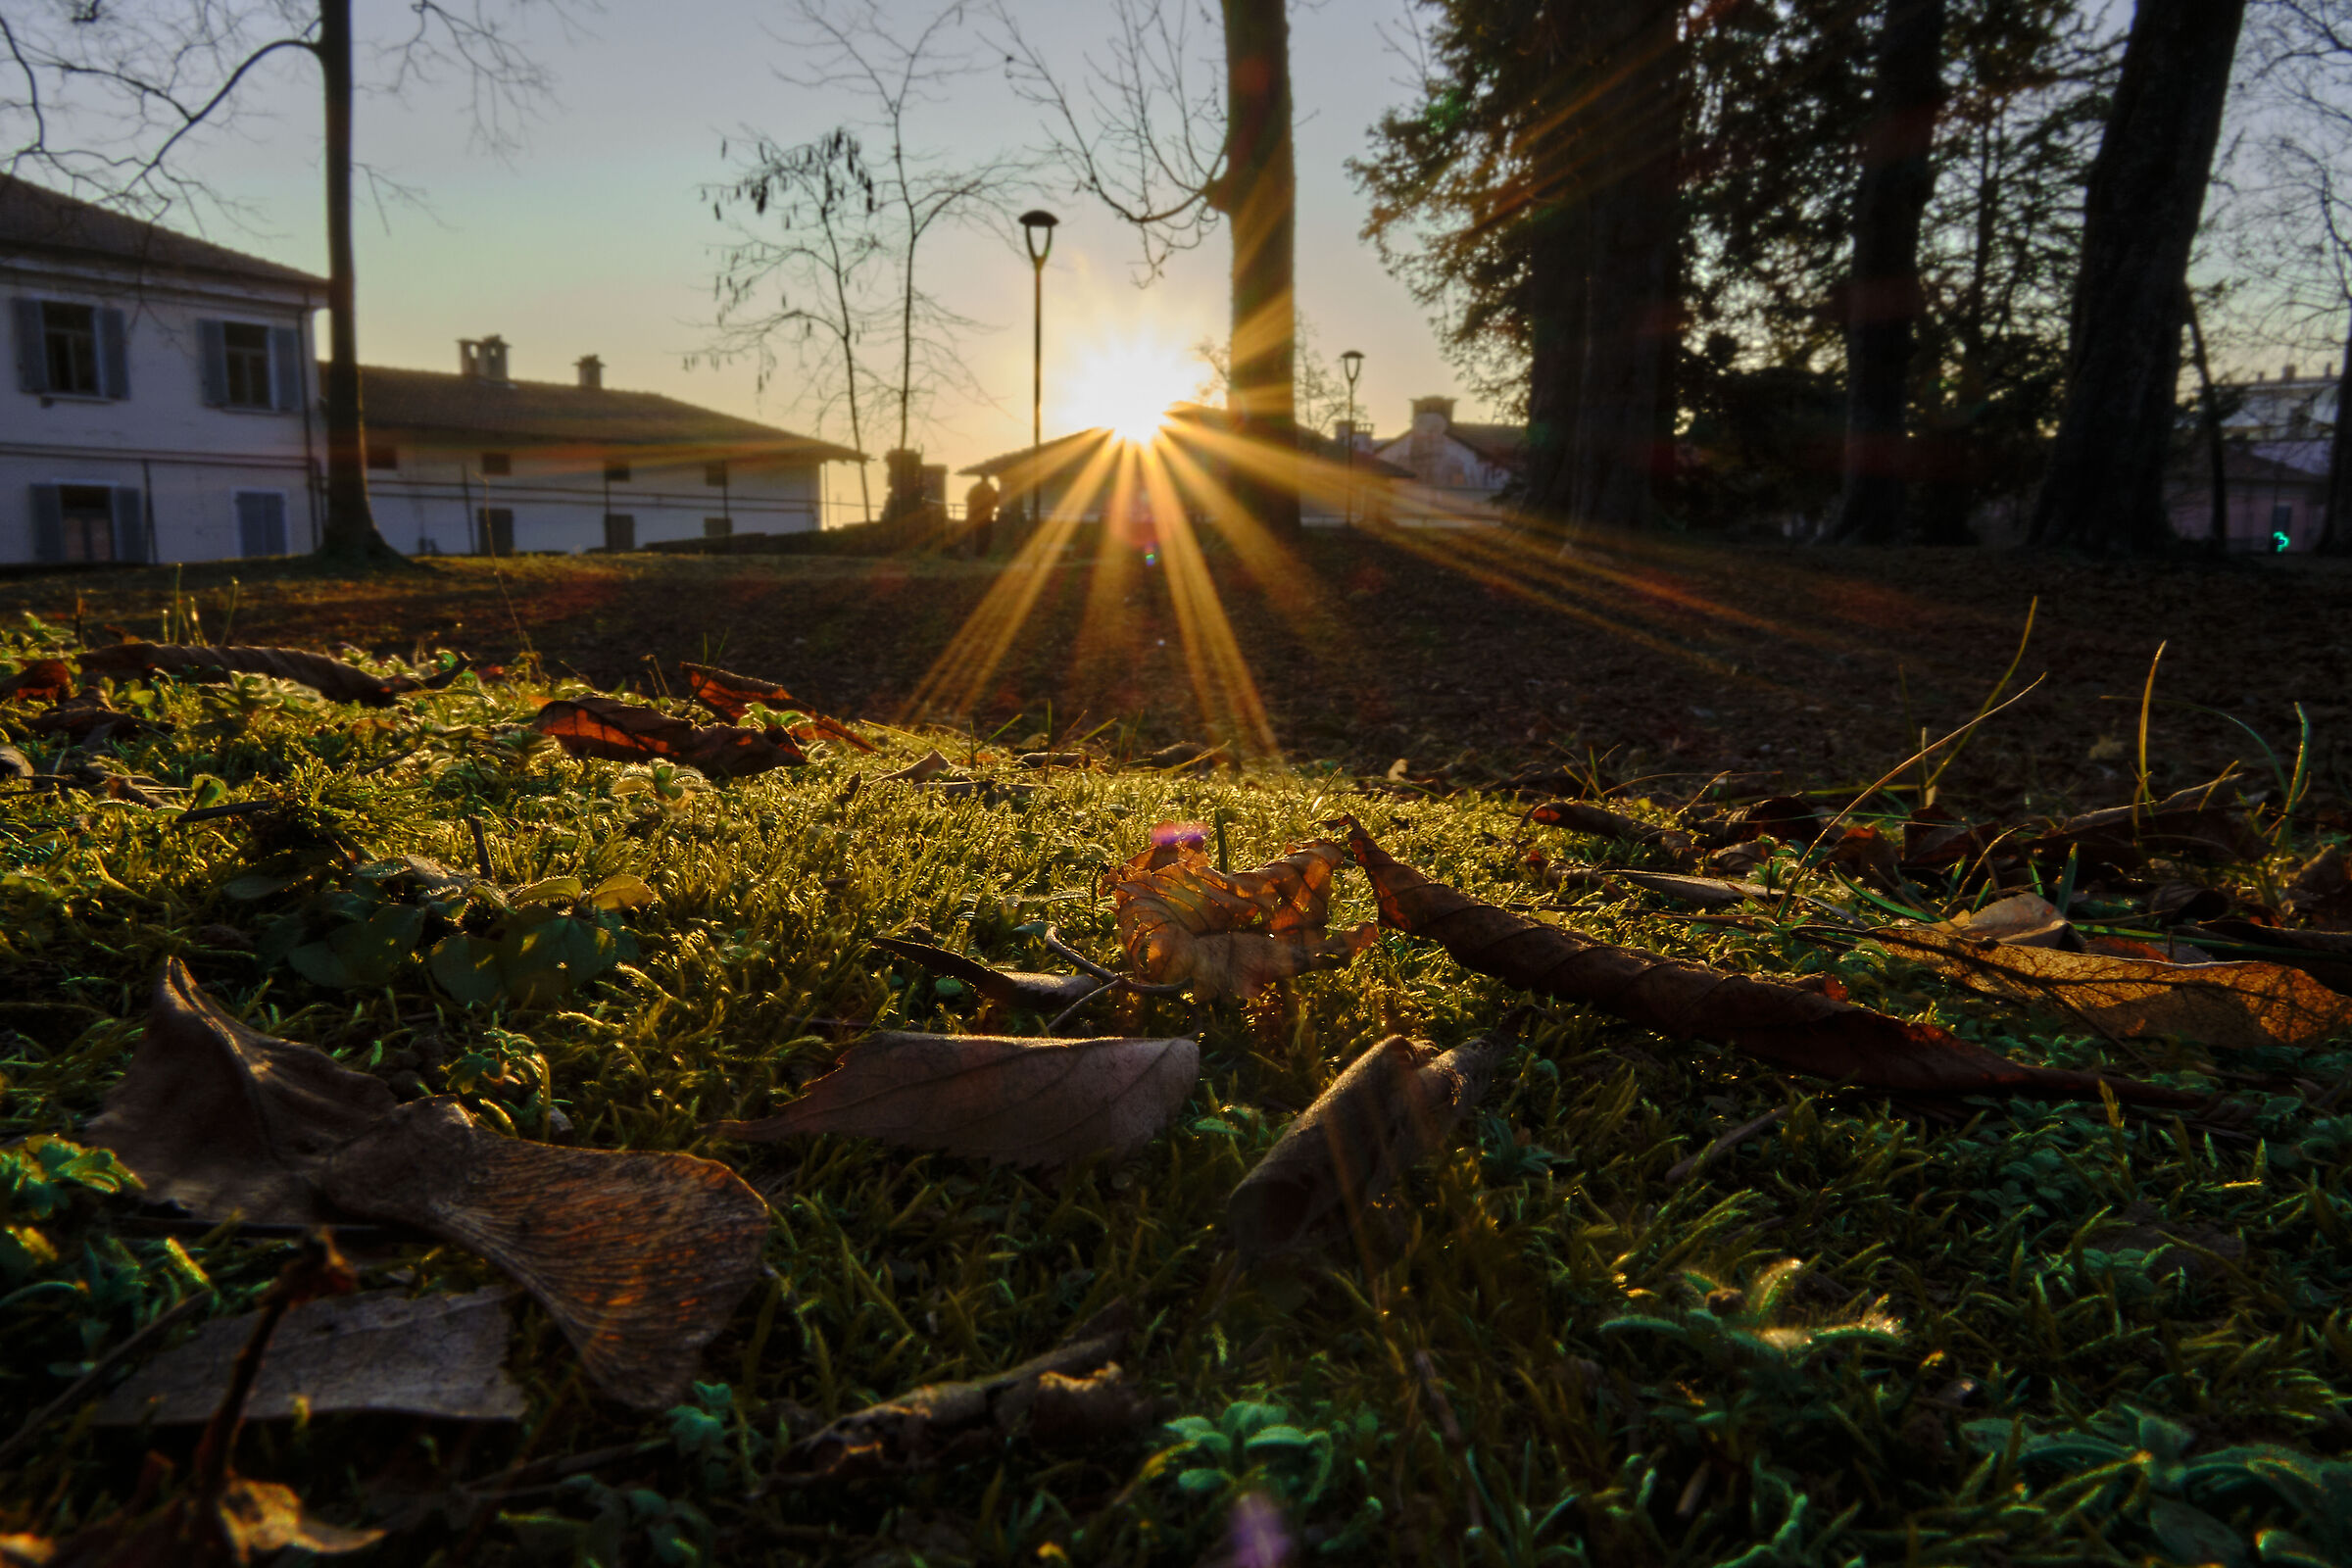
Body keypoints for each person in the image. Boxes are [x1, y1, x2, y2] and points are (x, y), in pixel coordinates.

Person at [964, 474, 999, 558]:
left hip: (977, 515)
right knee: (986, 534)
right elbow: (996, 501)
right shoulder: (990, 488)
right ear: (987, 478)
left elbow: (968, 499)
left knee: (978, 534)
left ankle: (978, 553)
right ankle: (984, 552)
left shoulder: (975, 488)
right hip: (987, 515)